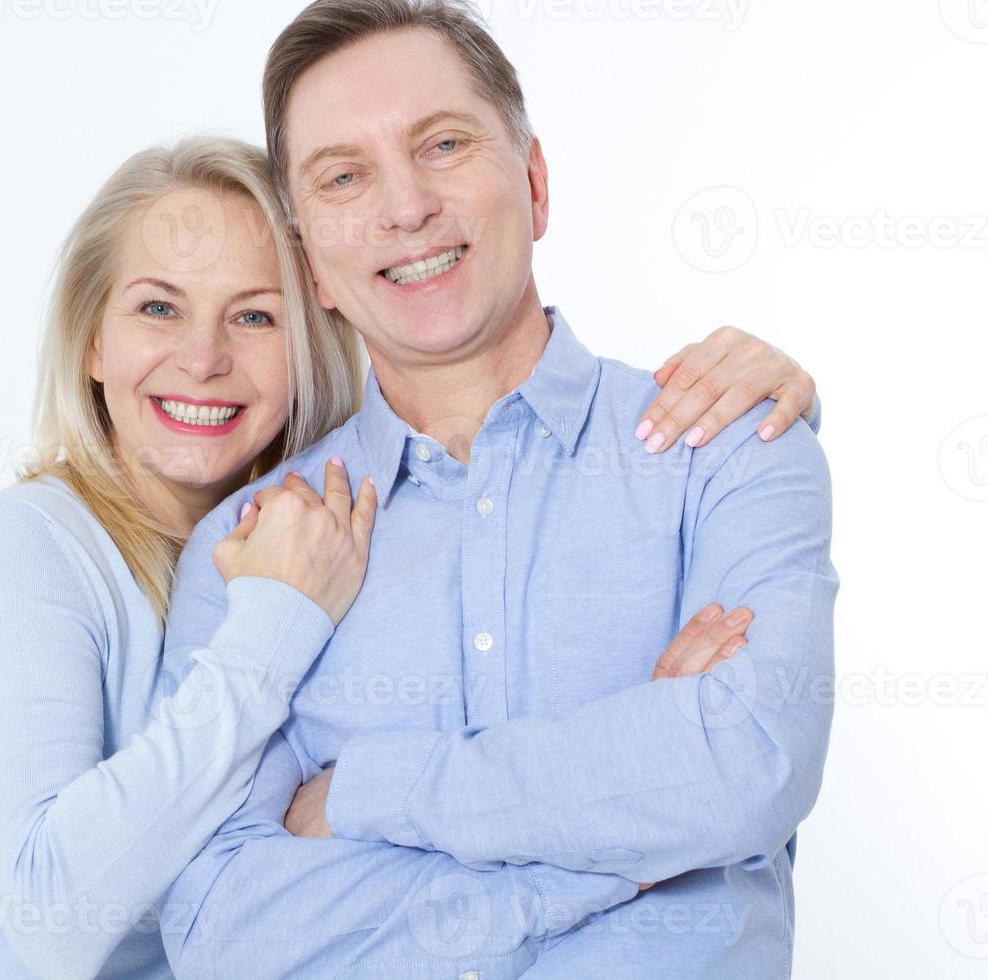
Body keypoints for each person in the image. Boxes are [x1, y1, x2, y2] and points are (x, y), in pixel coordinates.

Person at [0, 141, 817, 980]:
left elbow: (745, 771)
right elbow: (71, 915)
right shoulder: (25, 551)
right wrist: (641, 850)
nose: (204, 358)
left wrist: (763, 414)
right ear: (92, 339)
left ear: (311, 331)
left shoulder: (309, 531)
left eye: (254, 316)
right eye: (157, 307)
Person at [159, 2, 837, 978]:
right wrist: (626, 833)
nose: (406, 207)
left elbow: (749, 765)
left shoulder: (731, 445)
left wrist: (362, 791)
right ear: (312, 267)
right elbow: (221, 925)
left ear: (533, 181)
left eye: (442, 145)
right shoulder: (248, 549)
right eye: (345, 175)